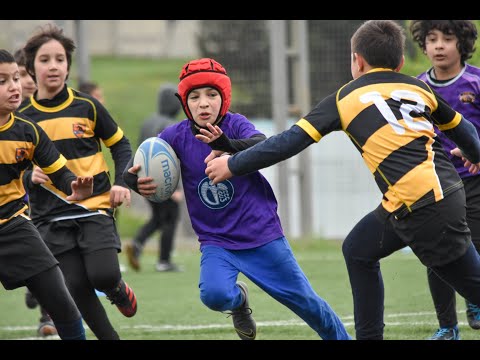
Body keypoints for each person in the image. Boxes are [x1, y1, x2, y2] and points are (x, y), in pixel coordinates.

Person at [204, 20, 480, 340]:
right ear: (401, 62)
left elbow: (287, 142)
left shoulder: (344, 98)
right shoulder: (418, 88)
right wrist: (475, 155)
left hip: (423, 205)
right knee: (359, 249)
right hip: (435, 194)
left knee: (470, 284)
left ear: (356, 61)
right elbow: (467, 131)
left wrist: (232, 165)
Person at [123, 57, 352, 340]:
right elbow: (139, 165)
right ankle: (239, 302)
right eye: (194, 97)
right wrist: (133, 180)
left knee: (307, 304)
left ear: (224, 97)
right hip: (216, 240)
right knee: (215, 296)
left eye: (211, 95)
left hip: (261, 234)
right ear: (184, 102)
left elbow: (261, 144)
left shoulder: (235, 125)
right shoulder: (175, 135)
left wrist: (227, 146)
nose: (203, 103)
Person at [18, 23, 137, 340]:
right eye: (45, 60)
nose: (53, 66)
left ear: (68, 65)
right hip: (50, 216)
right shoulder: (22, 118)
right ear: (31, 68)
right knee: (76, 287)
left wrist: (122, 181)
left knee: (103, 274)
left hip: (94, 206)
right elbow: (11, 170)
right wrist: (30, 175)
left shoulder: (88, 106)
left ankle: (116, 288)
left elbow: (120, 144)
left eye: (60, 59)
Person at [0, 48, 92, 340]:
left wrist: (73, 187)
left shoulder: (29, 132)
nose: (14, 86)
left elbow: (60, 173)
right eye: (2, 81)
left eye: (16, 77)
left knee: (61, 303)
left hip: (14, 226)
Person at [410, 19, 480, 340]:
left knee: (473, 244)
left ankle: (475, 301)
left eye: (447, 39)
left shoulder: (476, 82)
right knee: (435, 250)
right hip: (434, 184)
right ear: (423, 45)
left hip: (474, 181)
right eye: (432, 39)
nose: (438, 45)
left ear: (461, 44)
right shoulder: (415, 88)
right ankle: (447, 327)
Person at [14, 47, 58, 337]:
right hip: (13, 203)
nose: (27, 81)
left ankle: (48, 318)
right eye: (19, 75)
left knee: (50, 256)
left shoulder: (48, 108)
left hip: (43, 203)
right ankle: (32, 285)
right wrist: (29, 175)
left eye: (29, 74)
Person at [125, 83, 184, 272]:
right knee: (171, 217)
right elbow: (172, 159)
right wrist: (175, 188)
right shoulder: (169, 125)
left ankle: (136, 244)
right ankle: (164, 261)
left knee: (158, 218)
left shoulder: (148, 121)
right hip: (164, 181)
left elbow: (140, 151)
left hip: (144, 181)